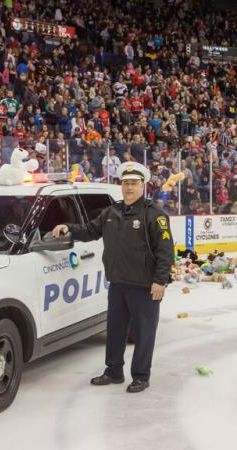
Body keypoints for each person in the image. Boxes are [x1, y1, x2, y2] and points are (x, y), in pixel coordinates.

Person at [52, 162, 173, 393]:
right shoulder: (111, 212)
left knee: (144, 333)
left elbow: (165, 250)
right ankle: (113, 371)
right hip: (117, 284)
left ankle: (140, 375)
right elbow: (89, 231)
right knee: (115, 330)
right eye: (126, 183)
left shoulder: (153, 214)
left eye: (134, 183)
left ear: (143, 185)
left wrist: (161, 280)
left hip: (145, 286)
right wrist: (69, 227)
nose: (129, 187)